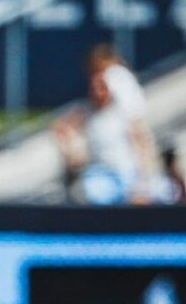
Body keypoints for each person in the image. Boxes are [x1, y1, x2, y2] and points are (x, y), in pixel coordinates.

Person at [52, 45, 158, 205]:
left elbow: (141, 140)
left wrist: (144, 181)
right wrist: (72, 152)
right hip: (100, 177)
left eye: (102, 82)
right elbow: (60, 128)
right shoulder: (87, 112)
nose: (96, 88)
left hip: (126, 174)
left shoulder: (125, 109)